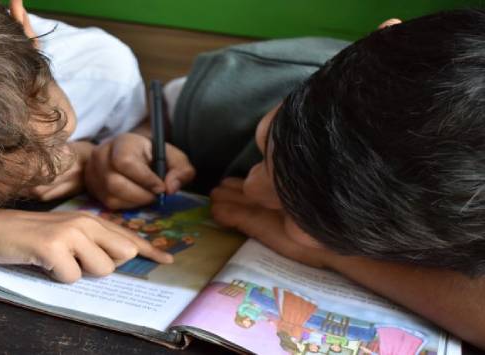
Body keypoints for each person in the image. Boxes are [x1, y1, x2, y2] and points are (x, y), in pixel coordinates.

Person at [91, 10, 485, 348]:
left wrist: (325, 255)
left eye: (301, 218)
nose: (250, 188)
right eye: (265, 143)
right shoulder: (237, 85)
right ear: (382, 35)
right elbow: (159, 114)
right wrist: (134, 140)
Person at [0, 0, 182, 283]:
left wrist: (116, 148)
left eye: (58, 136)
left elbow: (142, 125)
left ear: (25, 30)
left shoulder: (103, 73)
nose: (50, 168)